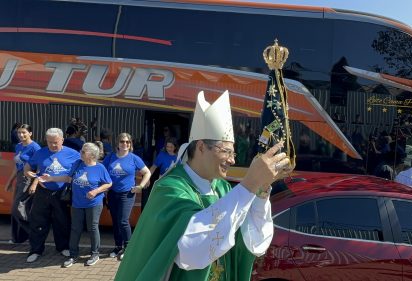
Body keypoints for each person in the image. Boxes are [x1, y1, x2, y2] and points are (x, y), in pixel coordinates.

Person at [115, 91, 292, 281]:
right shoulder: (169, 188)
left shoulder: (222, 188)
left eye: (234, 154)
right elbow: (191, 251)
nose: (232, 160)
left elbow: (251, 241)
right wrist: (250, 183)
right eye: (226, 152)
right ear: (200, 147)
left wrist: (261, 189)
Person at [39, 142, 112, 268]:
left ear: (92, 155)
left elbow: (108, 183)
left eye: (84, 151)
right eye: (81, 151)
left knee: (92, 228)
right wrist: (51, 178)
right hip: (77, 203)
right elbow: (68, 178)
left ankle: (95, 254)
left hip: (93, 203)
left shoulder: (100, 168)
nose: (81, 153)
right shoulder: (78, 164)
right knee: (75, 228)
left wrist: (96, 191)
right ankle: (73, 255)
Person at [23, 128, 80, 263]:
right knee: (38, 221)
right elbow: (27, 166)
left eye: (55, 142)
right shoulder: (40, 152)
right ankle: (36, 250)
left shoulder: (73, 154)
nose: (52, 145)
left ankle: (63, 247)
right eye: (49, 142)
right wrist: (29, 174)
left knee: (62, 221)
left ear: (62, 140)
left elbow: (84, 166)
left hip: (62, 193)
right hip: (43, 192)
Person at [102, 132, 151, 259]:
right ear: (117, 143)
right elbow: (101, 171)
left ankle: (128, 248)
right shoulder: (111, 157)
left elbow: (147, 173)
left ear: (130, 144)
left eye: (127, 142)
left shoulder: (134, 158)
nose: (125, 144)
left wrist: (140, 186)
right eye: (122, 141)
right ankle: (118, 246)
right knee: (115, 221)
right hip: (112, 193)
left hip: (127, 194)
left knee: (123, 221)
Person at [5, 124, 41, 243]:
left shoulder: (35, 147)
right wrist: (10, 182)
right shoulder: (18, 146)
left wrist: (35, 183)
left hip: (29, 179)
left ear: (30, 133)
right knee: (15, 209)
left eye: (24, 132)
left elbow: (41, 167)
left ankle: (34, 234)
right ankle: (18, 238)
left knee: (18, 208)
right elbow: (17, 166)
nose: (21, 135)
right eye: (19, 132)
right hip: (20, 178)